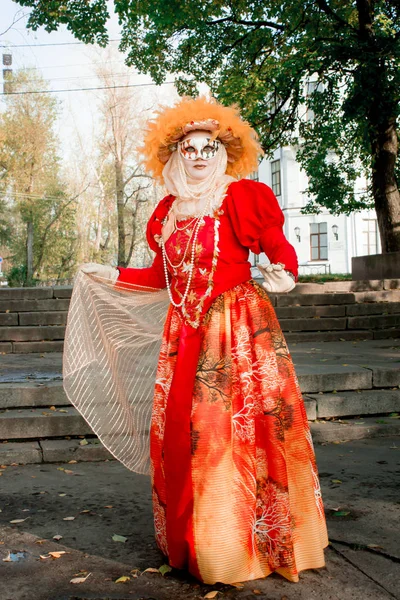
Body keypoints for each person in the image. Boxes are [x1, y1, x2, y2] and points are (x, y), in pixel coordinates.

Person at [69, 96, 328, 585]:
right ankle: (197, 543)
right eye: (190, 147)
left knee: (228, 436)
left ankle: (237, 547)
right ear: (175, 155)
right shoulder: (167, 212)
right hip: (183, 338)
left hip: (235, 333)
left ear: (224, 152)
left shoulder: (241, 197)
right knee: (184, 442)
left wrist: (286, 269)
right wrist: (112, 273)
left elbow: (274, 242)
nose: (201, 155)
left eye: (210, 146)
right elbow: (161, 278)